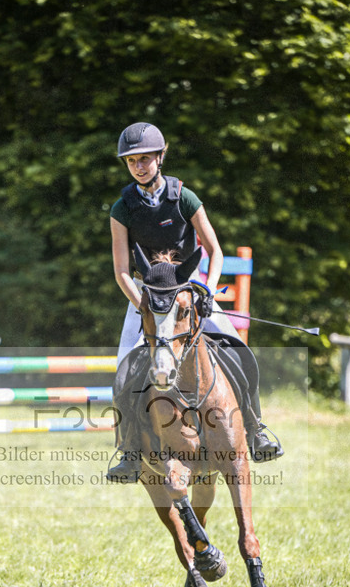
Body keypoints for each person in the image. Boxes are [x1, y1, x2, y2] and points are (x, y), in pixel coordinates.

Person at [107, 121, 283, 482]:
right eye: (132, 162)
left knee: (238, 351)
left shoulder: (184, 197)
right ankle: (128, 451)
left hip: (189, 292)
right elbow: (122, 271)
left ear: (160, 156)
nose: (139, 167)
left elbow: (215, 251)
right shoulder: (121, 208)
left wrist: (209, 291)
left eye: (144, 159)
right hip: (145, 297)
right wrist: (146, 304)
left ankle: (256, 428)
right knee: (125, 370)